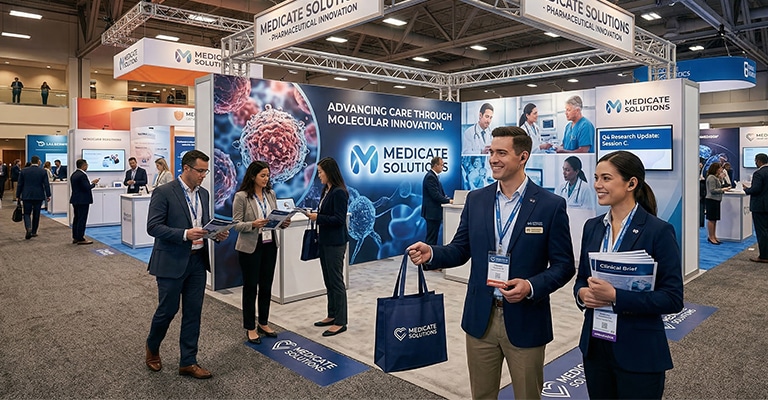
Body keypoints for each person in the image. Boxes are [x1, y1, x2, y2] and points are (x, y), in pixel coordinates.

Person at [407, 126, 575, 400]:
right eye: (491, 152)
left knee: (527, 395)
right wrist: (433, 253)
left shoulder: (550, 205)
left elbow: (564, 265)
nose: (493, 159)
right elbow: (460, 250)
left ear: (523, 157)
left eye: (501, 153)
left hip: (526, 318)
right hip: (480, 317)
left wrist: (531, 286)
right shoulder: (477, 200)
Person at [573, 150, 683, 400]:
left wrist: (615, 296)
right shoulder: (592, 227)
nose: (598, 185)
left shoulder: (658, 231)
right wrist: (582, 293)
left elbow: (672, 298)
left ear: (631, 183)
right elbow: (581, 278)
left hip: (639, 351)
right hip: (596, 346)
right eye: (596, 177)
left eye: (606, 178)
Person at [144, 150, 228, 379]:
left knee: (194, 312)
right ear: (186, 168)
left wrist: (215, 233)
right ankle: (152, 347)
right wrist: (184, 234)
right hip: (171, 261)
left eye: (205, 171)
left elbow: (204, 223)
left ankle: (188, 361)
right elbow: (153, 227)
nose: (203, 175)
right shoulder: (164, 192)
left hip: (198, 261)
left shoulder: (205, 194)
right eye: (200, 171)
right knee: (167, 311)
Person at [232, 161, 290, 344]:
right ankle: (250, 327)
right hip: (250, 246)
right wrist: (252, 224)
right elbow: (236, 224)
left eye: (268, 175)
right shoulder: (241, 196)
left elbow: (274, 217)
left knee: (266, 285)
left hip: (269, 243)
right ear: (252, 176)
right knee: (250, 288)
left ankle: (263, 322)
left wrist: (283, 223)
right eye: (262, 175)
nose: (266, 179)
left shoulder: (271, 194)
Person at [307, 157, 350, 337]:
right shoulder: (327, 190)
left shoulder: (339, 192)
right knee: (328, 280)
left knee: (336, 281)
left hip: (335, 242)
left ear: (329, 172)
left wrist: (318, 218)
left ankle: (341, 321)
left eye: (320, 172)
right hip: (325, 240)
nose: (319, 176)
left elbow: (339, 219)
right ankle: (331, 314)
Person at [15, 156, 51, 240]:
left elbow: (20, 184)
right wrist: (48, 195)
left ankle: (28, 228)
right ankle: (34, 231)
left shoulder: (24, 171)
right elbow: (46, 184)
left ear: (31, 162)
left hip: (27, 195)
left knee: (27, 213)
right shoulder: (42, 171)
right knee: (36, 213)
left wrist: (17, 195)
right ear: (38, 162)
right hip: (38, 195)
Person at [743, 153, 768, 263]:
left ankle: (764, 256)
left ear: (758, 161)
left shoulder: (758, 173)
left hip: (760, 207)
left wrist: (746, 190)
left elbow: (756, 190)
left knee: (761, 231)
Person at [421, 156, 452, 245]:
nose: (443, 167)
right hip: (432, 213)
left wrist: (446, 198)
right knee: (431, 238)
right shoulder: (430, 177)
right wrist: (449, 201)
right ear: (435, 165)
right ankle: (428, 257)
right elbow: (435, 195)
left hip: (434, 213)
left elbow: (439, 194)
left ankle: (431, 256)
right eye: (441, 165)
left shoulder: (434, 176)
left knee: (433, 237)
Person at [69, 159, 99, 245]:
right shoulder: (82, 175)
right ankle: (81, 238)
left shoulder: (74, 174)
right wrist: (94, 184)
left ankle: (75, 237)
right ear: (84, 165)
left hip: (76, 199)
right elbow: (86, 188)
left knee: (77, 218)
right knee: (82, 219)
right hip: (83, 200)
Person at [705, 162, 730, 245]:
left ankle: (714, 236)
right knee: (711, 219)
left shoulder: (716, 177)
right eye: (720, 168)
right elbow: (712, 190)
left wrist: (721, 179)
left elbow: (718, 187)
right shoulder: (711, 177)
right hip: (711, 200)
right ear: (716, 169)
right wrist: (723, 190)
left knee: (714, 219)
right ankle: (711, 237)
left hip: (716, 200)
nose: (721, 170)